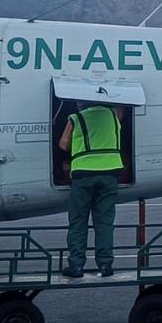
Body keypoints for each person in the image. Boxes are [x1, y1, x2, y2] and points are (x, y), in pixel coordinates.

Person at [56, 102, 124, 278]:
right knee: (104, 223)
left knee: (78, 222)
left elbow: (63, 144)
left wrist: (80, 148)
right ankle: (105, 265)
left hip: (84, 174)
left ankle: (77, 266)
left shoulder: (76, 118)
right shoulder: (113, 115)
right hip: (110, 173)